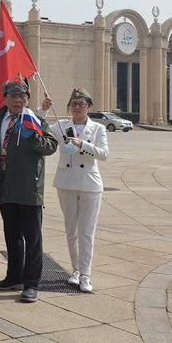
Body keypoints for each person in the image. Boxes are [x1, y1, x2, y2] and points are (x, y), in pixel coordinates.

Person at [0, 79, 58, 303]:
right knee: (12, 236)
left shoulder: (34, 120)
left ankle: (31, 283)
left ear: (27, 99)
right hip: (5, 188)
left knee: (32, 239)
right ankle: (13, 276)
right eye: (13, 96)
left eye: (22, 97)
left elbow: (51, 146)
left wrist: (35, 137)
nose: (17, 100)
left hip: (28, 189)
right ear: (5, 99)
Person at [41, 88, 109, 293]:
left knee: (86, 232)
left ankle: (86, 274)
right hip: (66, 182)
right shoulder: (61, 125)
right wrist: (43, 110)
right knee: (71, 230)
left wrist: (83, 144)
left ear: (88, 107)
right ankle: (76, 270)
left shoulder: (97, 128)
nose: (77, 107)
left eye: (81, 104)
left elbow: (104, 154)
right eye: (73, 104)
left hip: (89, 184)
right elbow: (38, 127)